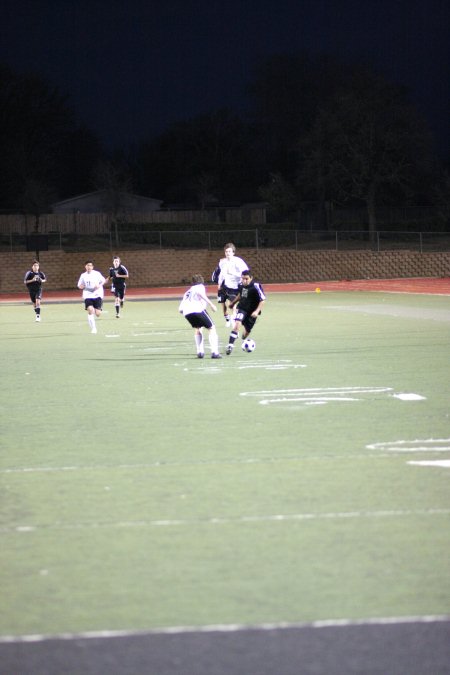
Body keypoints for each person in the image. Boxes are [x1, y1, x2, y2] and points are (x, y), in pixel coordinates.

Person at [179, 274, 222, 359]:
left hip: (187, 313)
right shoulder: (200, 287)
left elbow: (180, 309)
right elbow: (201, 294)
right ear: (201, 281)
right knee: (211, 328)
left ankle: (200, 352)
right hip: (197, 310)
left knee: (198, 328)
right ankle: (215, 352)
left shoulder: (188, 291)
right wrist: (211, 304)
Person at [225, 269, 266, 355]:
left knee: (246, 333)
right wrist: (233, 303)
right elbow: (240, 295)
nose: (244, 280)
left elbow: (262, 300)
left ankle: (243, 338)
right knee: (237, 325)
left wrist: (256, 311)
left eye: (246, 278)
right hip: (242, 309)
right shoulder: (241, 285)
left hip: (252, 313)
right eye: (242, 278)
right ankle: (230, 345)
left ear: (251, 278)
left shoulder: (256, 286)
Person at [212, 243, 248, 327]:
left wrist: (233, 273)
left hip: (239, 286)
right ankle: (233, 319)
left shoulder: (238, 261)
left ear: (233, 252)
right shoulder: (222, 262)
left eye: (229, 251)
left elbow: (245, 273)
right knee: (231, 305)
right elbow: (221, 274)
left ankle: (238, 317)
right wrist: (219, 284)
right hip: (229, 287)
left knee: (244, 303)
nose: (227, 253)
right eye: (226, 251)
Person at [77, 260, 106, 334]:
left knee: (98, 314)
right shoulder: (83, 275)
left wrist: (99, 285)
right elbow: (79, 285)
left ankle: (98, 309)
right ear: (85, 267)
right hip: (87, 295)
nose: (89, 267)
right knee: (90, 310)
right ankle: (93, 328)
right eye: (87, 265)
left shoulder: (97, 274)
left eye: (90, 265)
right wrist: (81, 286)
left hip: (97, 295)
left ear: (92, 267)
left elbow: (104, 281)